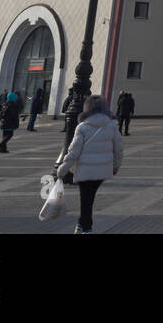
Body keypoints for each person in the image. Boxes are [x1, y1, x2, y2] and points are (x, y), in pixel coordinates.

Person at [56, 94, 124, 235]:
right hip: (102, 171)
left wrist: (63, 169)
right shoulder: (111, 126)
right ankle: (81, 225)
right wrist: (116, 166)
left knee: (86, 199)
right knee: (89, 198)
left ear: (87, 109)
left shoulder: (82, 127)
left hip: (85, 170)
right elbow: (119, 149)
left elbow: (73, 151)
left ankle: (87, 228)